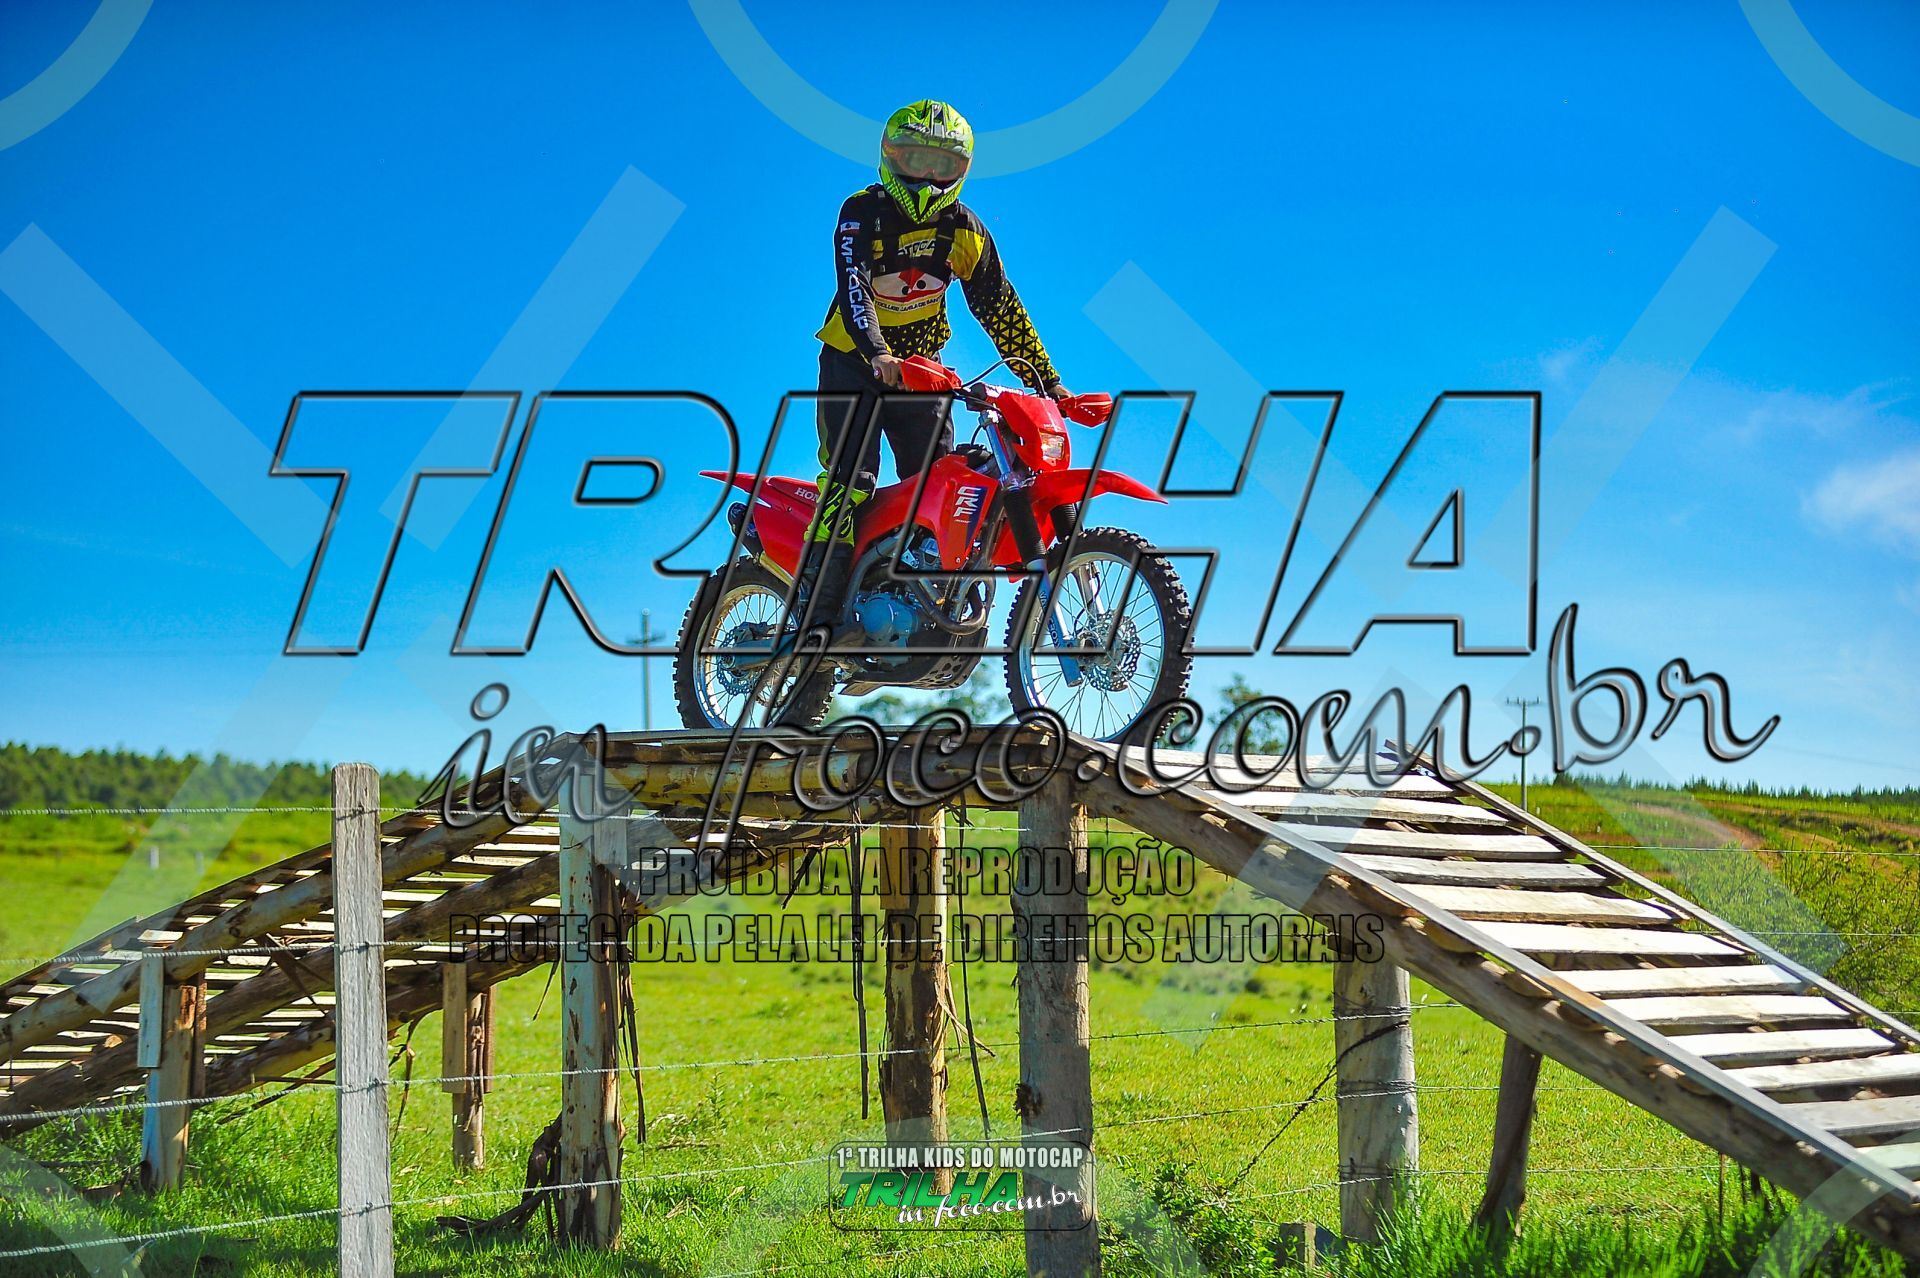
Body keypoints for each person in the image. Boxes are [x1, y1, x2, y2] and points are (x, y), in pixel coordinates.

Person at [802, 98, 1071, 643]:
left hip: (924, 372)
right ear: (889, 157)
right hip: (854, 362)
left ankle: (917, 604)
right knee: (851, 480)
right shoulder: (861, 212)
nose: (927, 178)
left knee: (939, 481)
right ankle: (818, 617)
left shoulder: (966, 231)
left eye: (941, 165)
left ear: (962, 170)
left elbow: (998, 304)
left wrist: (1047, 381)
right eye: (915, 160)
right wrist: (878, 353)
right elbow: (854, 286)